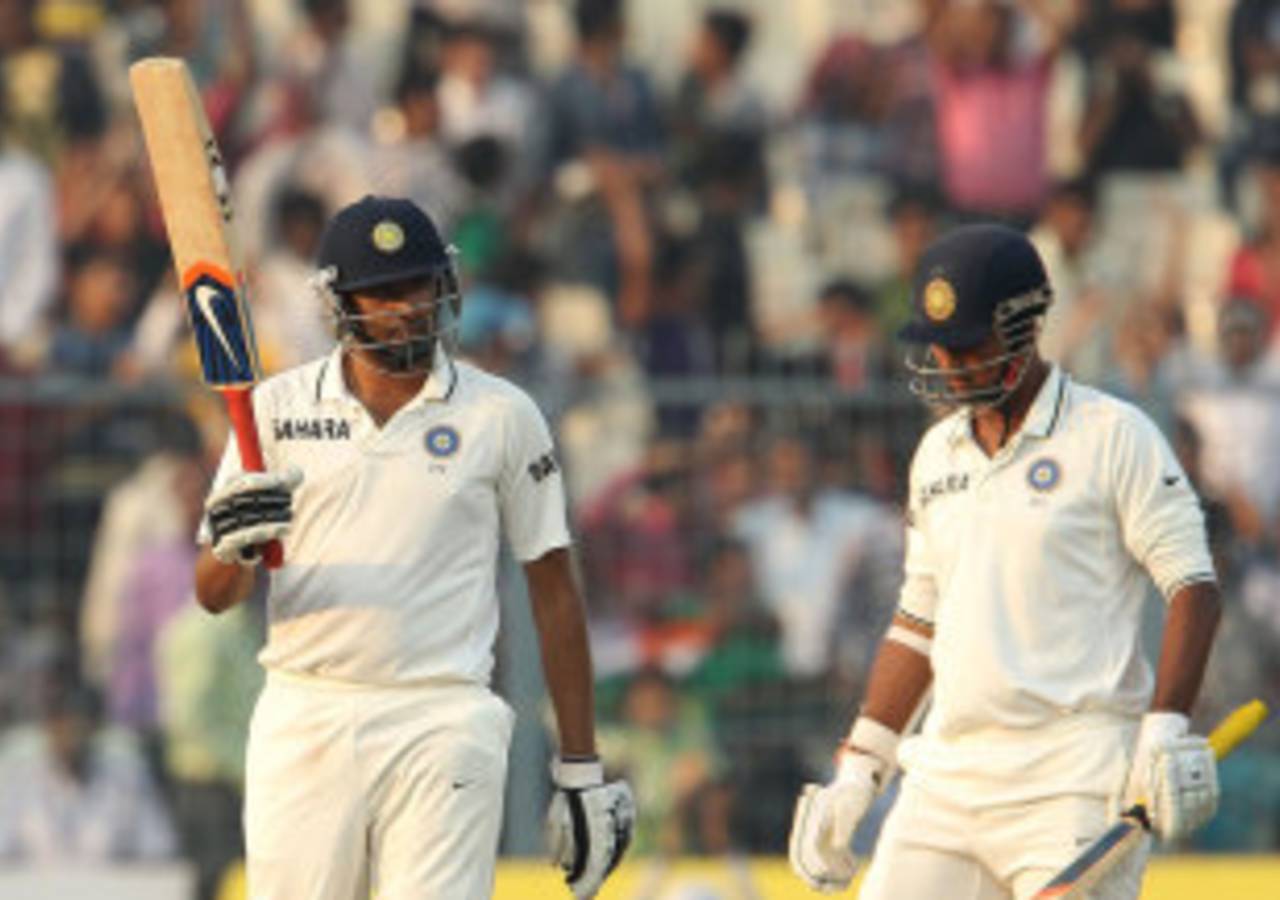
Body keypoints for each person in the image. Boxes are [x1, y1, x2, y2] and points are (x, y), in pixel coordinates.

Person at [192, 195, 634, 899]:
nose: (406, 307)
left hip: (444, 714)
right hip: (308, 709)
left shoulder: (503, 414)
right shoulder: (274, 411)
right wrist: (236, 548)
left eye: (418, 285)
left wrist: (580, 769)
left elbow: (554, 587)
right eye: (384, 292)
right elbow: (213, 596)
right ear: (341, 303)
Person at [788, 224, 1223, 898]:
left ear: (1024, 327)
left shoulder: (1113, 434)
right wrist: (861, 766)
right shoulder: (936, 454)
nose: (950, 363)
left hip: (1074, 771)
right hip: (948, 773)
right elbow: (917, 622)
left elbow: (1193, 587)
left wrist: (1165, 729)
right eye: (939, 346)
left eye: (968, 345)